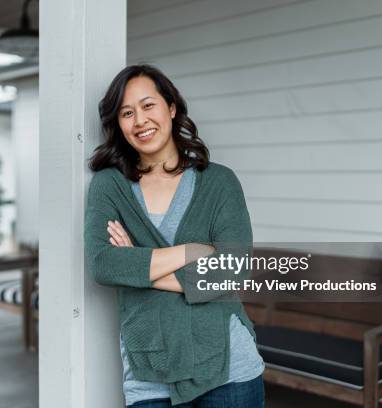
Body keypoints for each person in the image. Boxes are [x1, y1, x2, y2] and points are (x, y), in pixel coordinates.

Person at [84, 64, 265, 407]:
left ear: (171, 107)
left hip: (229, 367)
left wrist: (138, 267)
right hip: (149, 370)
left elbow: (233, 270)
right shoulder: (109, 185)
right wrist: (192, 251)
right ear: (118, 124)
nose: (139, 121)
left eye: (148, 105)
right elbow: (104, 263)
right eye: (127, 112)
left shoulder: (220, 182)